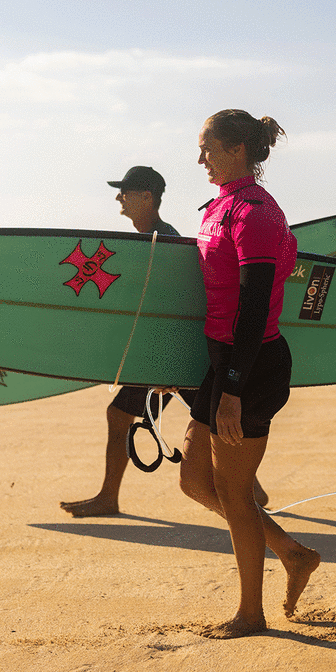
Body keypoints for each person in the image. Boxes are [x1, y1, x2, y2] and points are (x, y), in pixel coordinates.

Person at [177, 109, 320, 639]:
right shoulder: (221, 205)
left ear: (237, 149)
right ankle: (291, 551)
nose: (200, 159)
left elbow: (256, 304)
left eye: (207, 148)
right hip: (219, 359)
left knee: (235, 494)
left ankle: (250, 613)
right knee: (195, 482)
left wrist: (232, 387)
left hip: (251, 363)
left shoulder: (256, 213)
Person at [60, 165, 268, 517]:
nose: (118, 198)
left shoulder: (164, 241)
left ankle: (109, 497)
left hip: (170, 358)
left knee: (128, 415)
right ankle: (254, 491)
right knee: (210, 421)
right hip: (168, 356)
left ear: (147, 197)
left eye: (125, 191)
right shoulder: (151, 240)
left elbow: (177, 304)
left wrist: (164, 364)